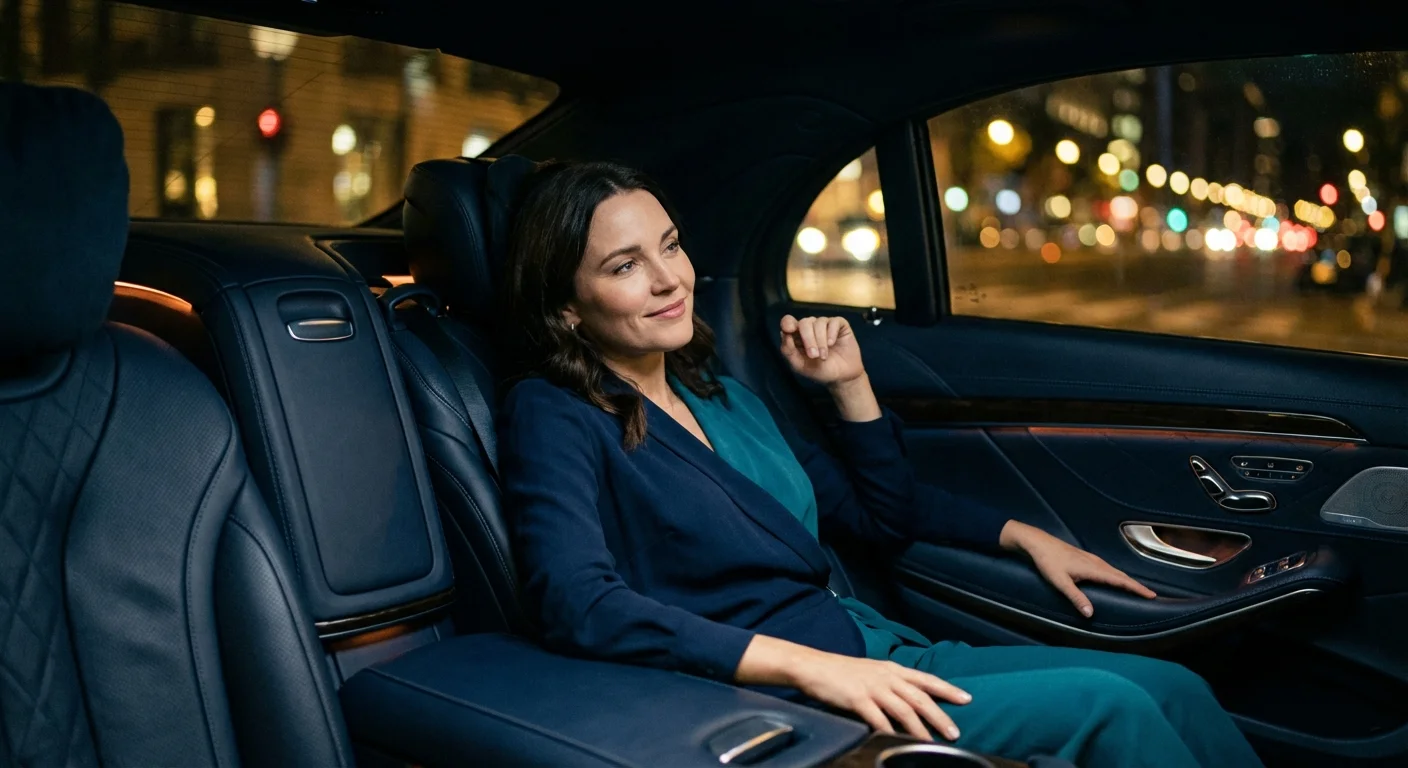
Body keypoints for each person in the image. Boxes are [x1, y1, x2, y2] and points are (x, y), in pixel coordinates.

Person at [497, 160, 1264, 768]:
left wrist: (1013, 528)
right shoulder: (555, 410)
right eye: (626, 266)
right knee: (1112, 707)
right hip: (779, 691)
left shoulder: (721, 393)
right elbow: (578, 603)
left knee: (1175, 687)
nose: (669, 279)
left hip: (871, 643)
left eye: (670, 245)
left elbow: (879, 518)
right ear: (568, 304)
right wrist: (807, 670)